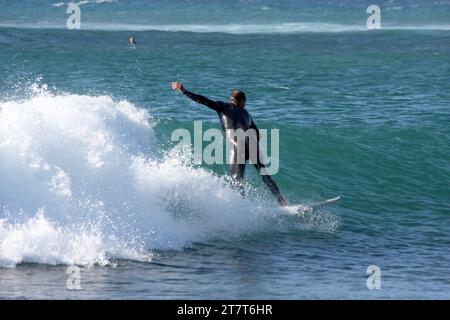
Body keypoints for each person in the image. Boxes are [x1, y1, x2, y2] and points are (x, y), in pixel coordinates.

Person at [171, 82, 287, 207]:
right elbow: (258, 135)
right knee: (266, 176)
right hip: (252, 142)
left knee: (237, 182)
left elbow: (203, 100)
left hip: (238, 146)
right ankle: (282, 202)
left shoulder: (223, 107)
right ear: (242, 101)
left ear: (232, 100)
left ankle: (243, 209)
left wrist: (184, 90)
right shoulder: (247, 114)